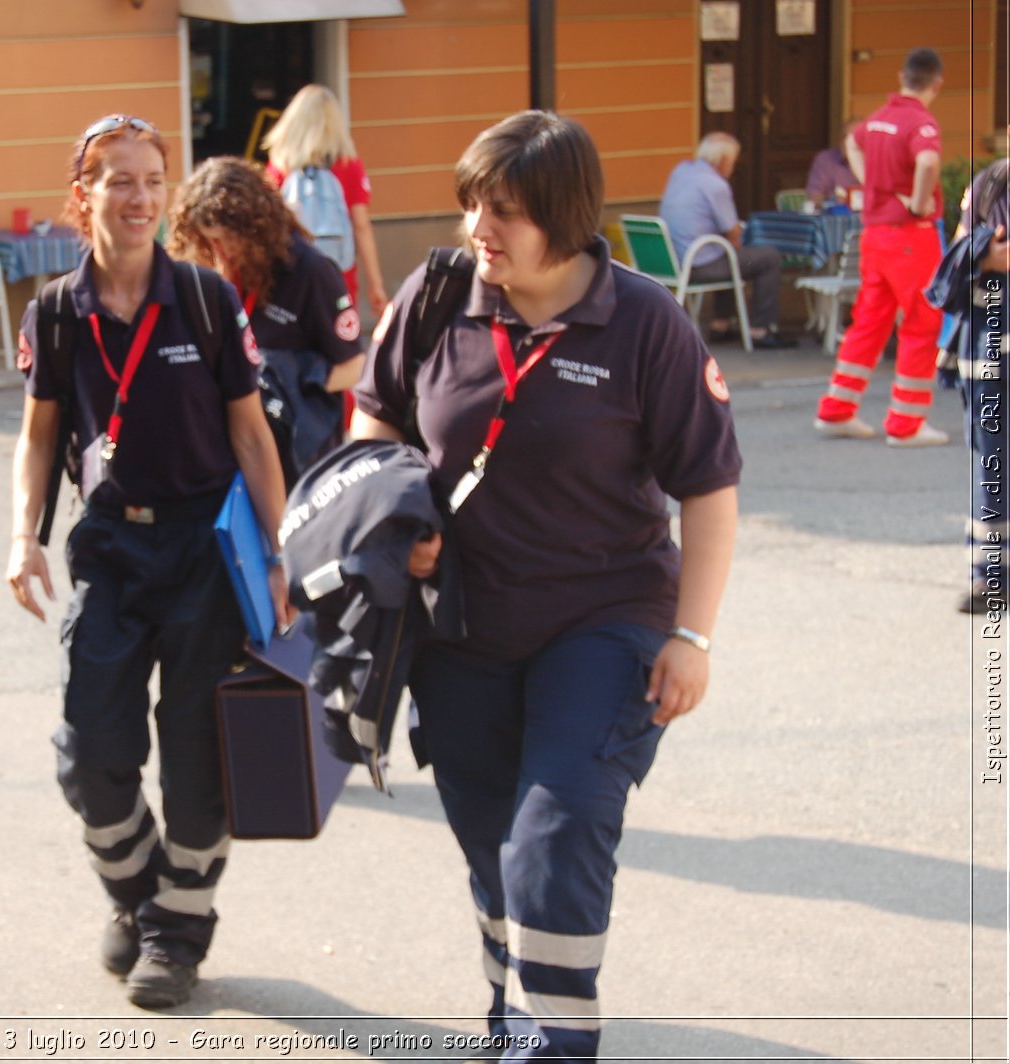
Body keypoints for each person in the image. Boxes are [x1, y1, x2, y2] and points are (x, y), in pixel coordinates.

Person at [351, 110, 740, 1061]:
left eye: (509, 212)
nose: (482, 229)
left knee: (555, 831)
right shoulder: (438, 298)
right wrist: (401, 526)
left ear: (565, 219)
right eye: (474, 205)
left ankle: (557, 1042)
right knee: (493, 842)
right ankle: (510, 1011)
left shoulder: (646, 321)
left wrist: (692, 640)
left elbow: (710, 488)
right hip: (463, 628)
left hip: (605, 619)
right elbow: (376, 428)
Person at [4, 114, 294, 1010]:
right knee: (91, 751)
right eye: (118, 179)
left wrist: (278, 556)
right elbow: (39, 435)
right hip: (111, 547)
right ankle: (139, 895)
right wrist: (23, 535)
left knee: (200, 752)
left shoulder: (206, 301)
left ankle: (177, 933)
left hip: (205, 547)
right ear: (81, 194)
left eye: (152, 179)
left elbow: (252, 434)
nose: (138, 197)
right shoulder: (56, 311)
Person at [168, 155, 366, 486]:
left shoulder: (310, 272)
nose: (220, 250)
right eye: (209, 240)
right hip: (235, 450)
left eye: (226, 238)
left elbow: (353, 368)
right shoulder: (214, 275)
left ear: (254, 226)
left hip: (299, 457)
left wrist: (288, 377)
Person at [814, 47, 949, 445]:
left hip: (875, 235)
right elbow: (927, 162)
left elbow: (852, 143)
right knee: (922, 321)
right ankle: (906, 423)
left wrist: (871, 179)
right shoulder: (921, 123)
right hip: (911, 234)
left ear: (901, 76)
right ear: (936, 83)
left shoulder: (878, 119)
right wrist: (920, 201)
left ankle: (837, 409)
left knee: (870, 320)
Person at [263, 84, 390, 316]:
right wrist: (376, 284)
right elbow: (361, 226)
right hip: (339, 274)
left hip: (292, 274)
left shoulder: (279, 165)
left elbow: (267, 222)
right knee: (343, 343)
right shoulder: (348, 164)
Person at [658, 131, 794, 347]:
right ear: (723, 160)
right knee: (768, 257)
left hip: (672, 260)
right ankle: (760, 329)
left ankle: (720, 324)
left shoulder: (681, 171)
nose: (733, 166)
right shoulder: (715, 184)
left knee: (727, 254)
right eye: (733, 160)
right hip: (697, 264)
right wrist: (738, 237)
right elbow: (733, 232)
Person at [947, 155, 1009, 612]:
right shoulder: (991, 182)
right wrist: (985, 253)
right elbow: (957, 252)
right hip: (989, 346)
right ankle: (988, 576)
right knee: (992, 457)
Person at [806, 118, 863, 210]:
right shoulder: (825, 159)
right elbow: (813, 196)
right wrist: (832, 201)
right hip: (836, 216)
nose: (846, 142)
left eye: (853, 138)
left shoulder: (877, 160)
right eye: (844, 137)